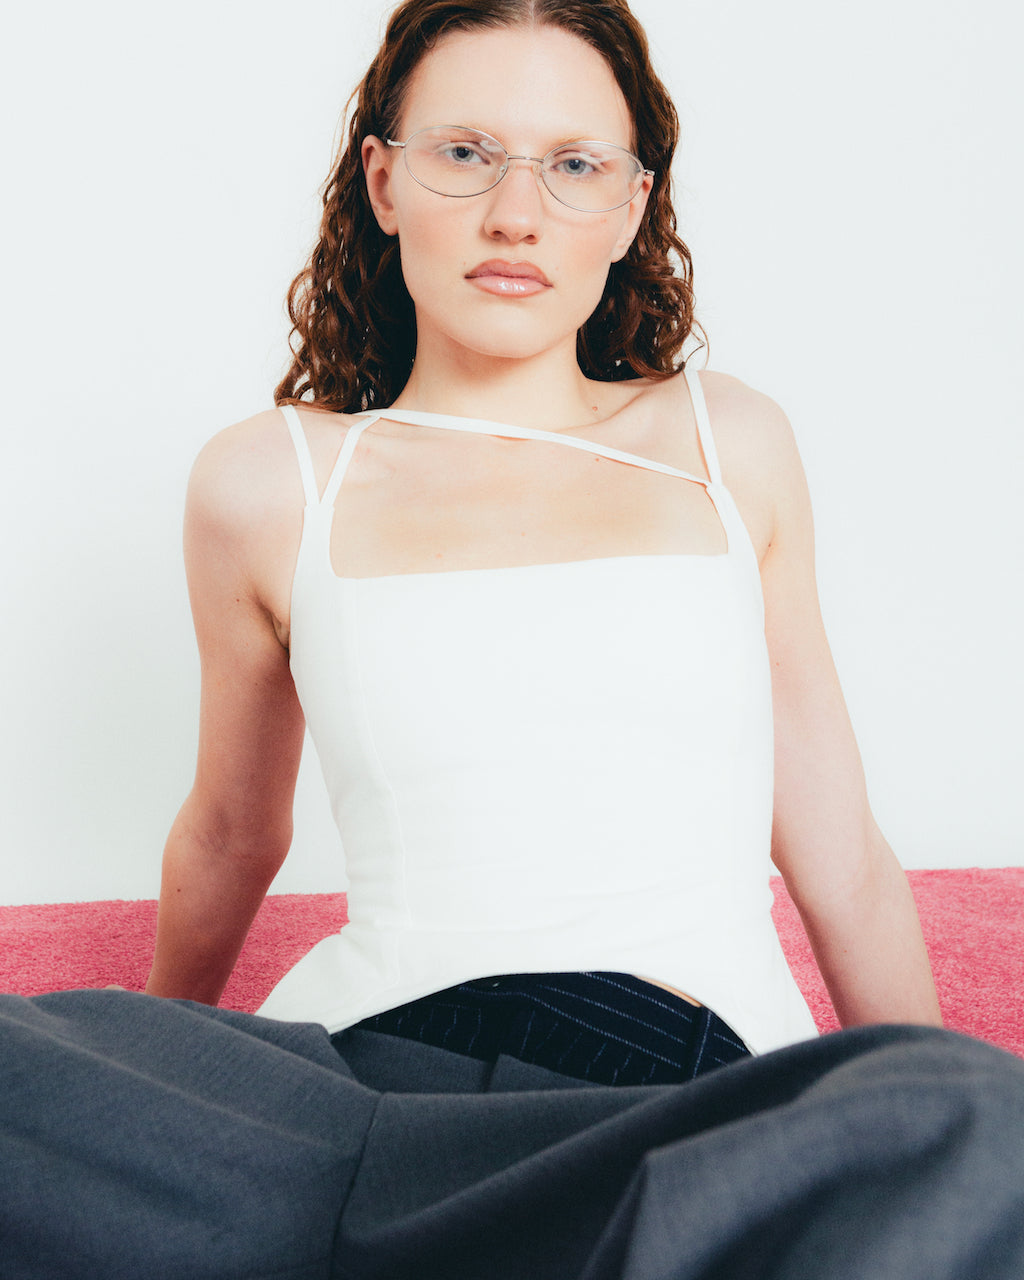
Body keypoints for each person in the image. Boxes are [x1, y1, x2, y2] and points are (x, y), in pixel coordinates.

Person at [3, 2, 1023, 1277]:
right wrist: (150, 1086)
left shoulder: (728, 444)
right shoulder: (268, 481)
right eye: (466, 153)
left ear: (632, 206)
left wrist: (935, 1105)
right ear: (383, 180)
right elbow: (227, 832)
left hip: (655, 1110)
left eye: (574, 164)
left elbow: (841, 854)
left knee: (982, 1111)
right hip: (346, 1095)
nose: (516, 213)